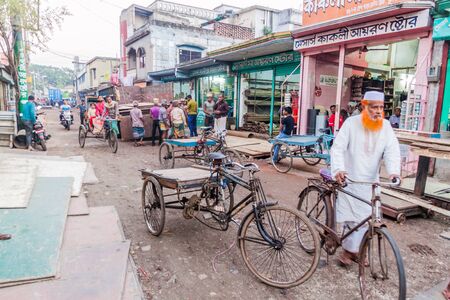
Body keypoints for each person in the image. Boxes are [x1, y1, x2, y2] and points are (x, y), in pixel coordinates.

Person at [330, 91, 400, 267]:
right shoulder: (351, 124)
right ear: (364, 106)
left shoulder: (385, 127)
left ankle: (360, 250)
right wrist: (339, 169)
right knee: (351, 219)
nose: (378, 111)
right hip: (350, 179)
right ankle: (348, 250)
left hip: (371, 182)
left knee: (368, 219)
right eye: (374, 107)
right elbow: (337, 148)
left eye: (381, 107)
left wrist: (394, 172)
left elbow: (392, 150)